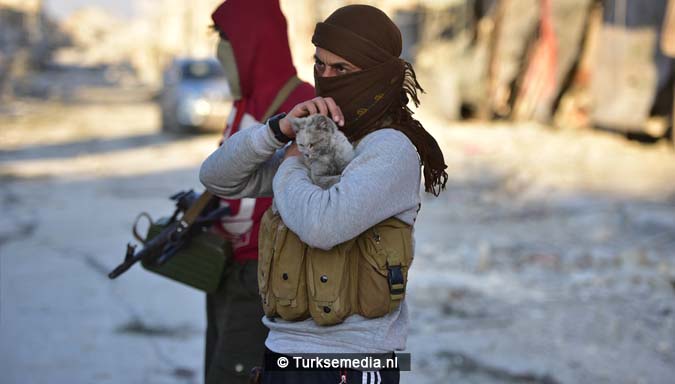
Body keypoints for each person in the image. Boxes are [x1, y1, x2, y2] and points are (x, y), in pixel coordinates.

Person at [200, 4, 448, 383]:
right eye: (320, 65)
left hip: (352, 362)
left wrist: (294, 159)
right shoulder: (322, 135)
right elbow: (216, 177)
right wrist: (276, 131)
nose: (326, 78)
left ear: (375, 72)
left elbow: (322, 224)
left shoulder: (392, 149)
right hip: (282, 352)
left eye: (341, 69)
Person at [205, 1, 314, 383]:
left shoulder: (301, 103)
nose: (219, 49)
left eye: (226, 38)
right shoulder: (243, 104)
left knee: (236, 374)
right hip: (224, 268)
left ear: (254, 42)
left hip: (263, 275)